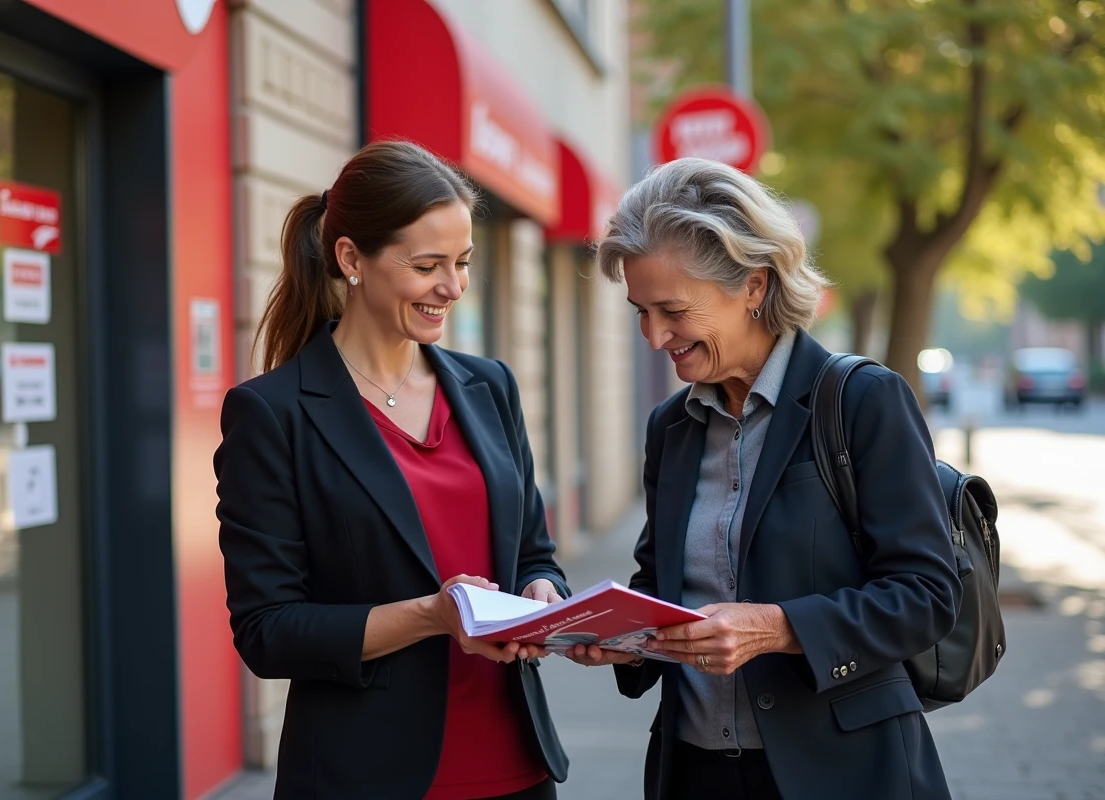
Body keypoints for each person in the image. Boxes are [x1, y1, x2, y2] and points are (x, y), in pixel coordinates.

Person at [570, 158, 962, 800]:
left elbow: (927, 596)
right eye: (640, 311)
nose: (653, 336)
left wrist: (777, 628)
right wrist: (622, 635)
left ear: (754, 285)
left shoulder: (862, 400)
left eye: (672, 309)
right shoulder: (672, 425)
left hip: (839, 771)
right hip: (693, 771)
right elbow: (661, 583)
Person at [214, 140, 569, 800]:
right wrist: (434, 615)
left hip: (516, 770)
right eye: (428, 265)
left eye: (462, 263)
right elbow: (268, 633)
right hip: (365, 776)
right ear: (351, 258)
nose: (453, 287)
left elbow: (534, 554)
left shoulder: (491, 388)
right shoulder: (271, 414)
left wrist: (542, 596)